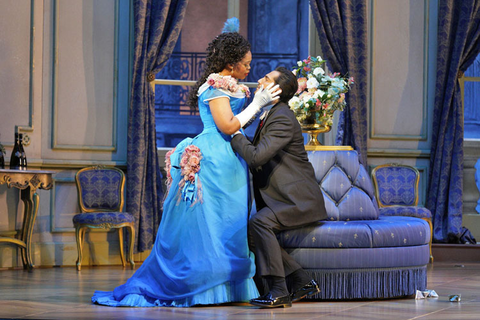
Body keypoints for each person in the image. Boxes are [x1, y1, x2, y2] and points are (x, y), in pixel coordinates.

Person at [92, 31, 280, 307]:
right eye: (246, 63)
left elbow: (237, 124)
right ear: (231, 64)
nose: (250, 68)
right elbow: (227, 126)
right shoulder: (215, 88)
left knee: (230, 223)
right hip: (214, 161)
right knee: (209, 226)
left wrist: (260, 107)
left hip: (233, 161)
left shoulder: (234, 87)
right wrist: (256, 104)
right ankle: (199, 285)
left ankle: (228, 287)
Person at [231, 67, 328, 308]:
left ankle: (279, 290)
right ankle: (301, 280)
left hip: (298, 201)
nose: (260, 80)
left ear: (277, 90)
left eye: (266, 79)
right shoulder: (271, 114)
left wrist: (235, 135)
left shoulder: (283, 117)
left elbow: (256, 158)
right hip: (284, 200)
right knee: (252, 233)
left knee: (259, 223)